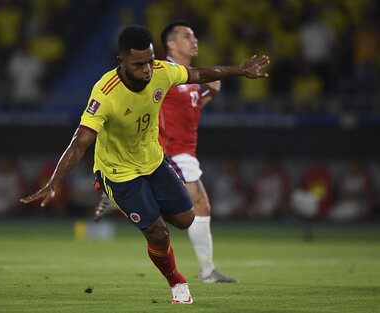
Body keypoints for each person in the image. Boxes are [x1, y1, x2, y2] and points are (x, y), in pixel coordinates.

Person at [20, 25, 269, 304]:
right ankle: (177, 282)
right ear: (122, 62)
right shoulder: (105, 92)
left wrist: (240, 70)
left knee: (186, 220)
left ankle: (140, 206)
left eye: (150, 61)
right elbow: (80, 142)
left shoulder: (161, 71)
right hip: (119, 173)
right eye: (139, 64)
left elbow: (198, 74)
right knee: (158, 232)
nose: (148, 70)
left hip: (153, 160)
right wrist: (53, 183)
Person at [95, 21, 237, 283]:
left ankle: (120, 199)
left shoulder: (186, 78)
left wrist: (208, 97)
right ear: (171, 43)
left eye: (194, 35)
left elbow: (185, 115)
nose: (194, 40)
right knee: (200, 205)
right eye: (187, 36)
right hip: (168, 151)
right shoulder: (156, 72)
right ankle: (207, 271)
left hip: (184, 149)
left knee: (188, 214)